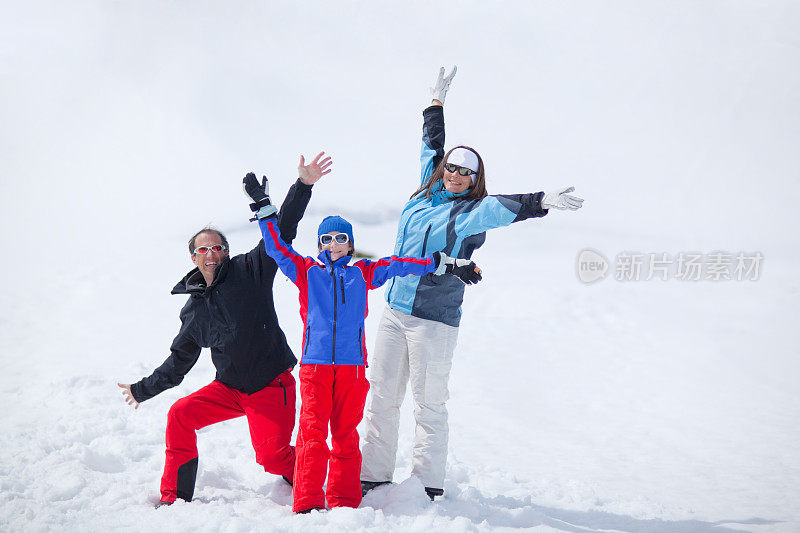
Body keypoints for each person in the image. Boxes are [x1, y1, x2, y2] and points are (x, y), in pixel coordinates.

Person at [359, 67, 584, 500]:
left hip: (434, 321)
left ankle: (427, 488)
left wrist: (541, 202)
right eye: (452, 168)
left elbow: (502, 207)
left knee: (429, 405)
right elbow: (431, 144)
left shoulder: (470, 211)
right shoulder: (427, 188)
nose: (456, 174)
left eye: (466, 172)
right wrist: (435, 103)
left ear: (474, 178)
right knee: (382, 398)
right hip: (394, 311)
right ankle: (374, 476)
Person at [242, 173, 482, 513]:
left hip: (352, 370)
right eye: (327, 238)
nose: (335, 243)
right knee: (312, 434)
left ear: (350, 244)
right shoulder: (306, 272)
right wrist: (264, 207)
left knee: (345, 435)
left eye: (342, 238)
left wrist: (441, 263)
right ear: (320, 244)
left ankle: (344, 500)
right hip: (316, 367)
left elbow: (399, 265)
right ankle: (308, 499)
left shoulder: (362, 273)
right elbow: (276, 247)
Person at [118, 152, 332, 507]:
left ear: (226, 252)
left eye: (218, 247)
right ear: (193, 257)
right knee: (180, 415)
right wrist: (142, 389)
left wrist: (303, 185)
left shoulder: (251, 269)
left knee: (272, 458)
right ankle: (174, 498)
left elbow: (283, 234)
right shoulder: (194, 309)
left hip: (269, 386)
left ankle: (321, 480)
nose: (211, 254)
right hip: (229, 389)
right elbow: (179, 361)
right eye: (203, 249)